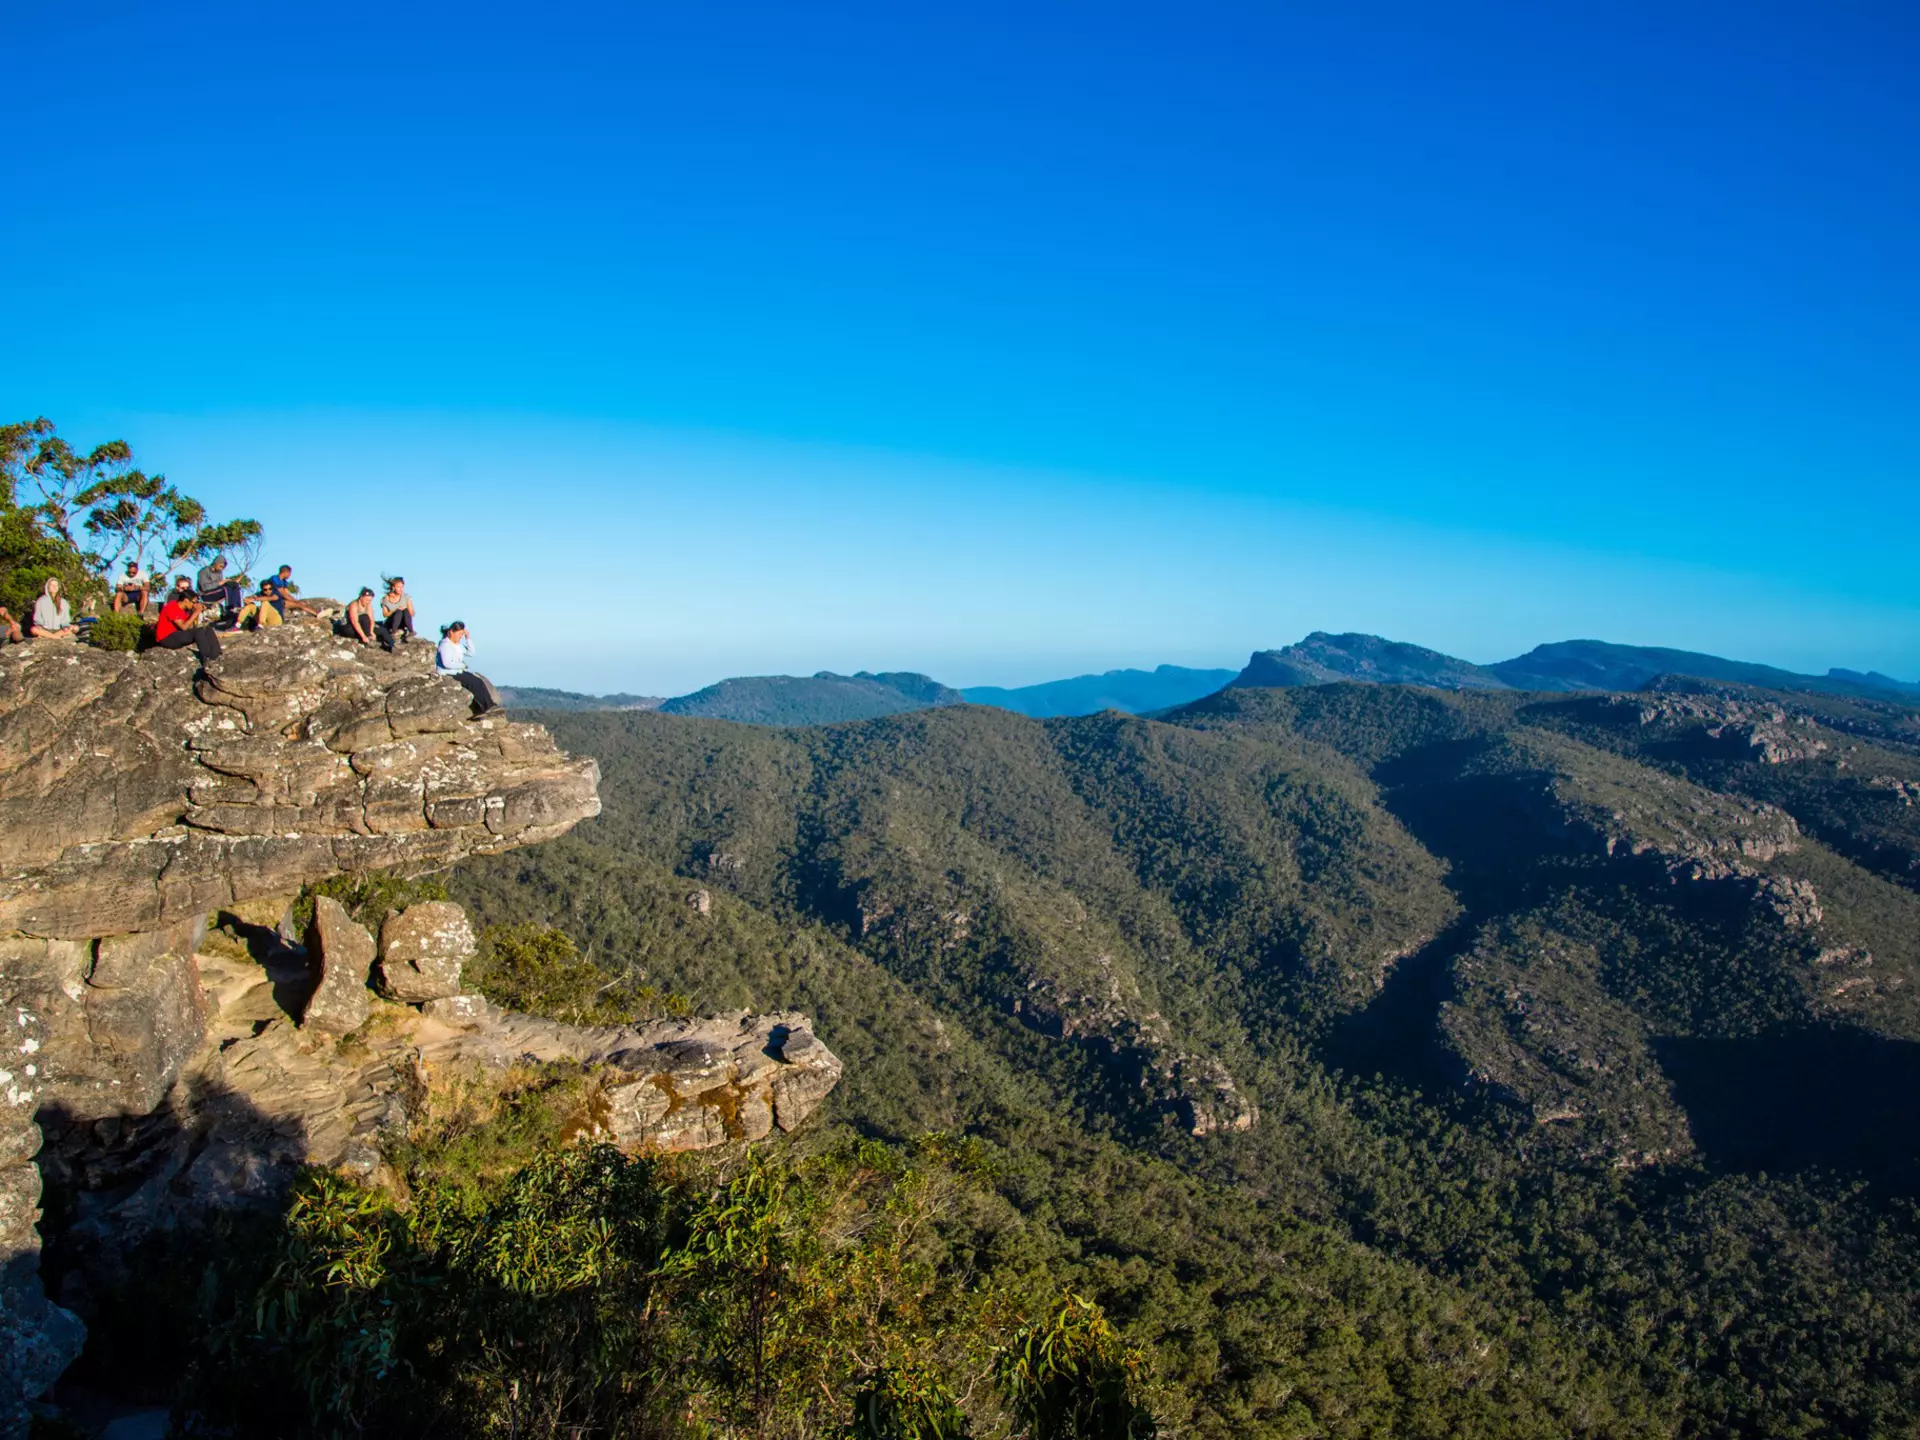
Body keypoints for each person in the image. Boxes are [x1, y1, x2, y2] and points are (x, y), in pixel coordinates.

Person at [435, 621, 501, 714]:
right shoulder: (445, 644)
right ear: (451, 632)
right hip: (448, 673)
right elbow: (447, 663)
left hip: (457, 671)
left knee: (479, 681)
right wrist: (462, 665)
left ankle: (489, 705)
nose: (460, 636)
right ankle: (487, 707)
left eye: (462, 634)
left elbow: (471, 653)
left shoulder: (457, 645)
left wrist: (468, 638)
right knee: (473, 683)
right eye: (459, 634)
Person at [154, 578, 223, 662]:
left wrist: (196, 613)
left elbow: (190, 626)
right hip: (166, 638)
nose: (194, 604)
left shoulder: (184, 610)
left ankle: (216, 654)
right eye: (194, 602)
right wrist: (196, 612)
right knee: (197, 632)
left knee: (207, 628)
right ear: (186, 601)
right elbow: (184, 627)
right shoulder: (172, 607)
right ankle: (207, 656)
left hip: (177, 634)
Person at [196, 557, 243, 625]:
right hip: (205, 595)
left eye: (223, 567)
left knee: (234, 585)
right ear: (215, 563)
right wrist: (219, 583)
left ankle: (236, 607)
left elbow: (220, 584)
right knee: (227, 588)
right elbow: (204, 587)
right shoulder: (204, 571)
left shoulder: (219, 572)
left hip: (215, 592)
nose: (221, 568)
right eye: (220, 566)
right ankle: (230, 608)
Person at [378, 576, 416, 647]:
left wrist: (406, 609)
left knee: (405, 610)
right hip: (391, 621)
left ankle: (411, 632)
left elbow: (412, 613)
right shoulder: (386, 599)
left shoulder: (406, 597)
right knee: (398, 612)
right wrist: (394, 610)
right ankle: (393, 632)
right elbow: (385, 614)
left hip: (403, 621)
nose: (400, 589)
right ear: (393, 587)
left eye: (402, 587)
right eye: (398, 587)